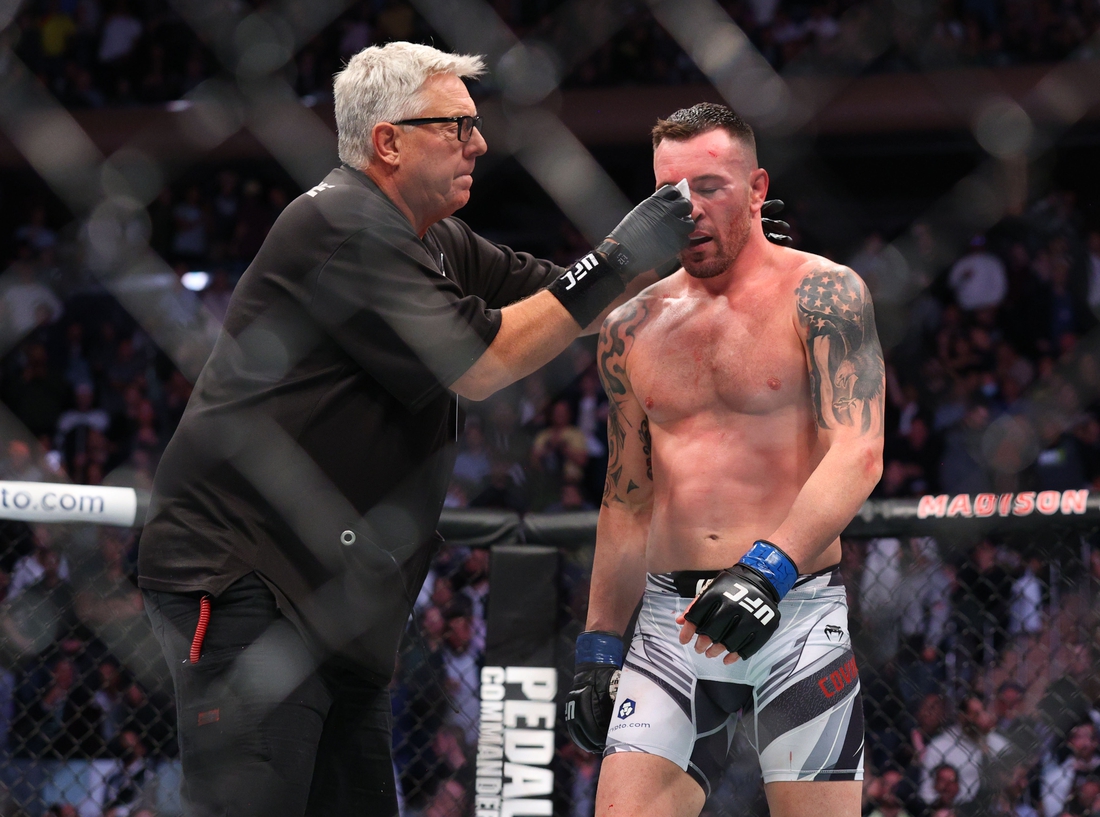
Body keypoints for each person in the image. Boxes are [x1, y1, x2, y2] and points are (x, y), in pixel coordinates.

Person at [136, 41, 693, 817]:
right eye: (457, 126)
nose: (481, 143)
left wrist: (694, 260)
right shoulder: (340, 225)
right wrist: (617, 256)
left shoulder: (432, 238)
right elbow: (480, 360)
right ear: (387, 140)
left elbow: (555, 302)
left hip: (333, 603)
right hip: (248, 580)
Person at [564, 102, 884, 817]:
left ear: (759, 186)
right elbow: (626, 499)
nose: (688, 210)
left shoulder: (825, 295)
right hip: (670, 624)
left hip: (795, 611)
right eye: (668, 194)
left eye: (710, 186)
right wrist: (597, 644)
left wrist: (766, 568)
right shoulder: (628, 326)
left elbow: (858, 451)